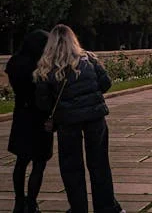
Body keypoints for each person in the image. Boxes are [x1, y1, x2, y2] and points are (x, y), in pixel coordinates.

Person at [34, 24, 125, 213]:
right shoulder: (89, 58)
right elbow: (106, 83)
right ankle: (106, 207)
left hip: (67, 121)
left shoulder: (47, 65)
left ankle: (78, 208)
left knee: (71, 167)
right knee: (99, 164)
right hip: (94, 117)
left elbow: (43, 102)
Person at [6, 29, 52, 213]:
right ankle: (32, 202)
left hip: (21, 115)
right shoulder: (42, 65)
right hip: (40, 116)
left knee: (21, 161)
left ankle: (19, 201)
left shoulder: (15, 62)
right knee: (39, 163)